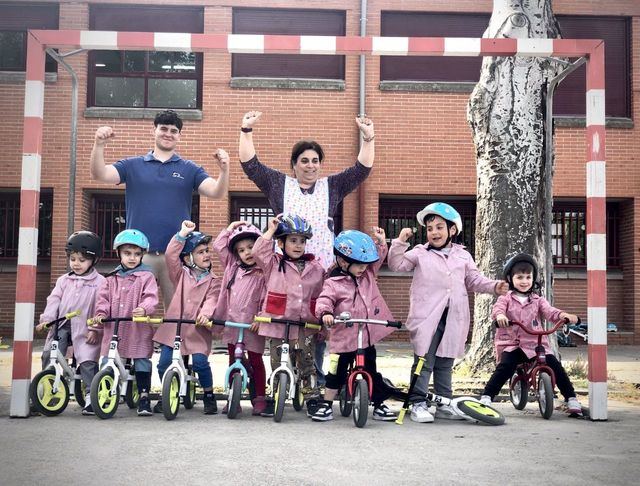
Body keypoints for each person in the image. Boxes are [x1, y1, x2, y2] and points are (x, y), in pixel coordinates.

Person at [239, 110, 374, 383]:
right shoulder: (279, 184)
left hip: (321, 270)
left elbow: (361, 170)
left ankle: (312, 375)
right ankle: (285, 374)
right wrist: (246, 131)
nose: (310, 166)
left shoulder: (331, 186)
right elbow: (250, 165)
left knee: (317, 324)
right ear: (294, 164)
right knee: (285, 324)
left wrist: (368, 138)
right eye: (304, 161)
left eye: (315, 161)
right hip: (285, 270)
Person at [90, 109, 230, 306]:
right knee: (130, 309)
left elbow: (216, 192)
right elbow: (100, 174)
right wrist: (99, 145)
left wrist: (224, 170)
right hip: (139, 254)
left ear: (179, 136)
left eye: (173, 131)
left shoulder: (189, 169)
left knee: (176, 312)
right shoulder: (132, 165)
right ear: (154, 131)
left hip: (175, 256)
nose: (168, 133)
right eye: (163, 128)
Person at [387, 202, 509, 423]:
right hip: (427, 317)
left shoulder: (463, 256)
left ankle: (444, 403)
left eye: (439, 227)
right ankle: (417, 403)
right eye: (430, 228)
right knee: (424, 361)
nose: (434, 232)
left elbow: (473, 280)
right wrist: (400, 242)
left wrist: (494, 286)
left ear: (452, 230)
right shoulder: (420, 253)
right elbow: (396, 265)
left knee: (445, 361)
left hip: (454, 317)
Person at [311, 228, 397, 422]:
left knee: (371, 371)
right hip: (343, 338)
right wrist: (325, 313)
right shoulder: (333, 282)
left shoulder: (366, 275)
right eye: (358, 265)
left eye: (365, 265)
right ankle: (326, 404)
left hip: (365, 337)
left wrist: (382, 243)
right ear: (343, 261)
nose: (363, 269)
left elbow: (377, 260)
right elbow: (324, 299)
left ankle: (378, 404)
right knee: (336, 373)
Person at [479, 253, 583, 414]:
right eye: (519, 277)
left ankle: (571, 398)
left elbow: (550, 312)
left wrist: (564, 316)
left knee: (555, 366)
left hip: (536, 344)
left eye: (528, 277)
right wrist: (500, 316)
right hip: (513, 344)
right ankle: (487, 396)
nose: (524, 281)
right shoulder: (506, 298)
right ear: (510, 278)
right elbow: (498, 309)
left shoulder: (538, 300)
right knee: (505, 367)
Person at [252, 214, 325, 415]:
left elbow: (321, 295)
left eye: (302, 241)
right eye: (293, 240)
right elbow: (258, 252)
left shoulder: (316, 267)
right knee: (277, 361)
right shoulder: (273, 264)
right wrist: (270, 231)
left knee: (307, 363)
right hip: (277, 324)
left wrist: (321, 324)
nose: (298, 245)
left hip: (304, 326)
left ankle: (311, 399)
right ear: (281, 242)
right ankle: (276, 395)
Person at [152, 221, 220, 415]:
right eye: (200, 252)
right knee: (164, 363)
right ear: (188, 258)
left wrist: (205, 315)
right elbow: (170, 255)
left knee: (200, 363)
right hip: (174, 328)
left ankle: (208, 394)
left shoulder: (213, 280)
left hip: (196, 329)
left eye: (207, 251)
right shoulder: (181, 274)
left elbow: (212, 300)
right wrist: (182, 234)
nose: (206, 255)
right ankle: (168, 391)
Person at [88, 229, 158, 416]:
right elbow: (102, 300)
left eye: (137, 254)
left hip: (137, 328)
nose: (132, 258)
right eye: (127, 253)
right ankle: (101, 395)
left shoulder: (147, 276)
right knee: (107, 361)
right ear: (118, 253)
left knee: (142, 360)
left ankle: (144, 397)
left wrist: (144, 308)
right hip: (114, 328)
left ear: (143, 255)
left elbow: (151, 297)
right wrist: (101, 314)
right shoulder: (111, 278)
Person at [36, 231, 105, 415]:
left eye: (82, 260)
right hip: (61, 325)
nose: (76, 263)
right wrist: (47, 321)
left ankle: (92, 396)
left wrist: (95, 329)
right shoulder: (64, 280)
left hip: (86, 328)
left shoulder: (100, 282)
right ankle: (47, 387)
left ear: (94, 260)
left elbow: (101, 307)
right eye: (73, 259)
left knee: (87, 362)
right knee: (49, 354)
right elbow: (54, 301)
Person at [213, 221, 268, 416]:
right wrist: (230, 228)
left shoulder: (264, 272)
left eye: (251, 247)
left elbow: (267, 298)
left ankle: (259, 397)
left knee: (256, 361)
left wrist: (260, 318)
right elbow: (218, 246)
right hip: (232, 323)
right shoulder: (232, 266)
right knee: (232, 360)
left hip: (252, 325)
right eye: (241, 250)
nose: (247, 252)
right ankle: (232, 398)